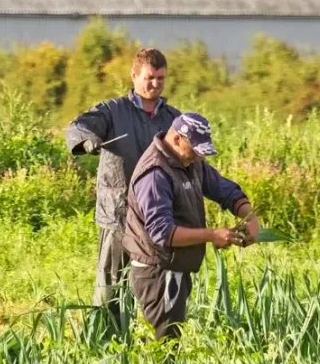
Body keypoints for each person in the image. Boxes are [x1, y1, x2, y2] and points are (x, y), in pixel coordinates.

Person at [65, 48, 181, 333]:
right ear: (134, 75)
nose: (155, 84)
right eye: (149, 77)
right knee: (111, 282)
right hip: (118, 213)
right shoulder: (112, 111)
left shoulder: (173, 119)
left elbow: (190, 158)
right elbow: (79, 126)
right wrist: (89, 141)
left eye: (161, 78)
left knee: (158, 280)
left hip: (158, 217)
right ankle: (106, 338)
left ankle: (159, 338)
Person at [122, 112, 260, 340]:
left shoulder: (188, 161)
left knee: (171, 336)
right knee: (164, 343)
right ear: (177, 139)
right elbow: (162, 232)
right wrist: (212, 235)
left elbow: (223, 189)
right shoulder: (155, 174)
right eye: (195, 150)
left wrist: (250, 216)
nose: (198, 157)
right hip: (158, 270)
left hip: (176, 265)